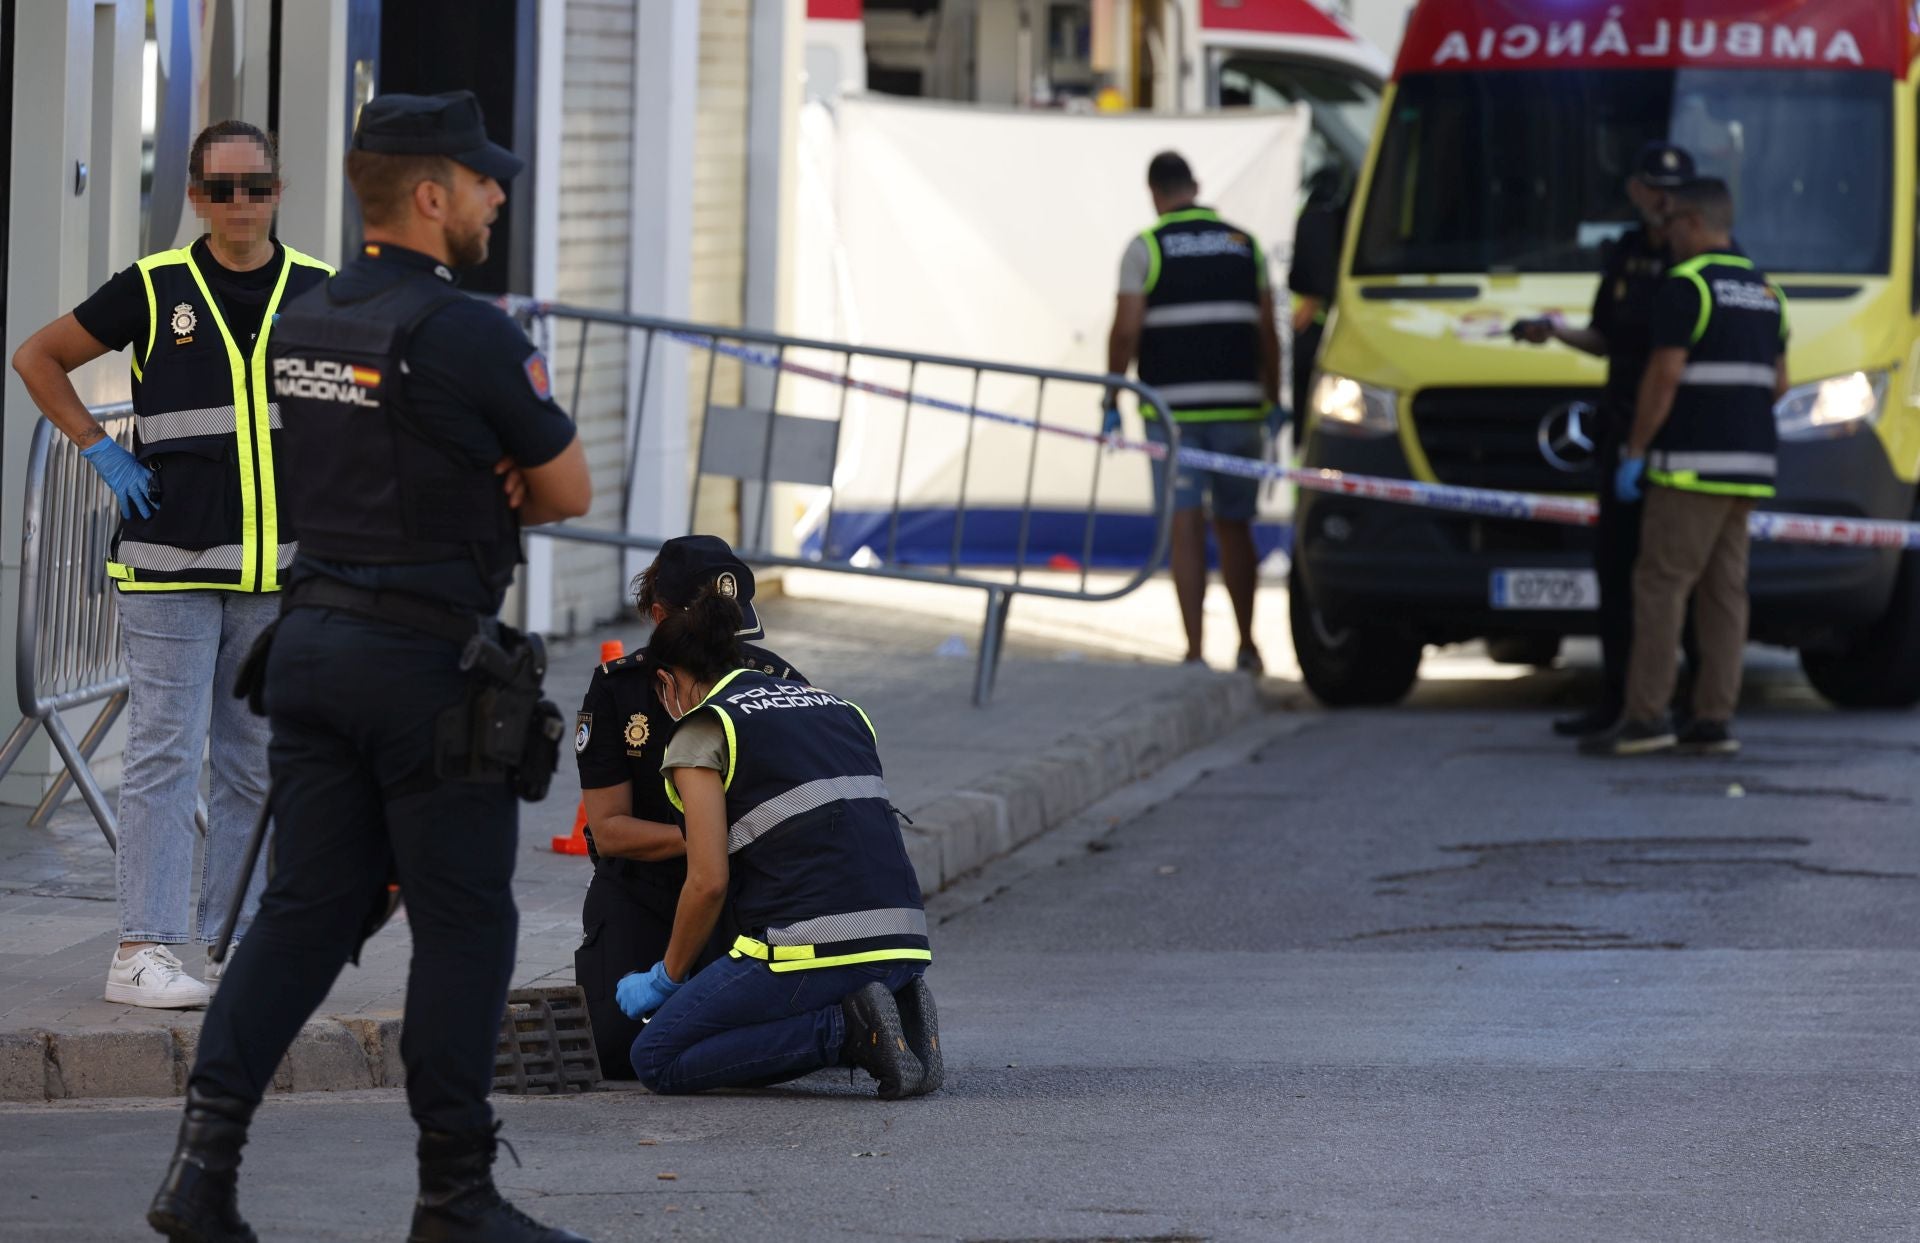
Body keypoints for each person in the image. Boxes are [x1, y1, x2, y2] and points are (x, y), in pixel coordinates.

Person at [147, 92, 594, 1243]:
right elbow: (566, 488)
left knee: (301, 912)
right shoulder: (469, 330)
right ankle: (455, 1194)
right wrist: (494, 465)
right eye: (486, 179)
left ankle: (202, 1171)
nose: (501, 194)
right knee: (463, 922)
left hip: (309, 648)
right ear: (433, 195)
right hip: (424, 669)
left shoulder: (309, 315)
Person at [11, 121, 332, 1009]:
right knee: (162, 753)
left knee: (255, 760)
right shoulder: (155, 288)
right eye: (220, 187)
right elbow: (37, 357)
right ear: (194, 194)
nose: (239, 202)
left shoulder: (319, 291)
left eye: (254, 185)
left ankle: (235, 948)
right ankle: (142, 950)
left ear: (278, 187)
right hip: (170, 566)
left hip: (277, 572)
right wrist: (98, 451)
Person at [620, 588, 940, 1100]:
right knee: (731, 1022)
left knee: (656, 1057)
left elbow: (707, 881)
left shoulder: (703, 729)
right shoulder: (840, 709)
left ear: (666, 682)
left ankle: (848, 1034)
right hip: (902, 941)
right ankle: (890, 1009)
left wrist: (667, 978)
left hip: (809, 948)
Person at [572, 535, 808, 1078]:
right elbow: (608, 831)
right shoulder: (620, 690)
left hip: (743, 899)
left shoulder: (777, 684)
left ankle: (839, 1030)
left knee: (730, 1042)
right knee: (613, 1051)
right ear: (659, 617)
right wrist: (705, 841)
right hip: (645, 889)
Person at [1582, 178, 1788, 758]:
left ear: (1695, 223)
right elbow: (1781, 382)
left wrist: (1636, 451)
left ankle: (1646, 717)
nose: (1665, 235)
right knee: (1725, 594)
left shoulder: (1687, 286)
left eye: (1672, 224)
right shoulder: (1765, 291)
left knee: (1660, 586)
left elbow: (1664, 377)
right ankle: (1713, 718)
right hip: (1748, 468)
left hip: (1689, 469)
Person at [1515, 142, 1698, 738]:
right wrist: (1557, 334)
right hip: (1622, 428)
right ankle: (1617, 699)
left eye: (1675, 188)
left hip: (1676, 436)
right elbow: (1605, 338)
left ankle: (1689, 702)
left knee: (1676, 574)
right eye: (1655, 186)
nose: (1664, 199)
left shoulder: (1696, 256)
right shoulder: (1624, 254)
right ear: (1636, 191)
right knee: (1617, 572)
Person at [1105, 151, 1281, 674]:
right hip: (1240, 409)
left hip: (1172, 415)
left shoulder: (1147, 247)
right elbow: (1270, 331)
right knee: (1236, 525)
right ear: (1196, 186)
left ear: (1155, 193)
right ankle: (1248, 646)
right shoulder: (1243, 245)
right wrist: (1274, 400)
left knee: (1185, 525)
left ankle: (1196, 652)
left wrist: (1111, 397)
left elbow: (1126, 330)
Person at [1286, 165, 1349, 424]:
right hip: (1324, 330)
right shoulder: (1334, 217)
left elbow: (1315, 287)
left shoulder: (1315, 218)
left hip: (1312, 331)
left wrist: (1299, 323)